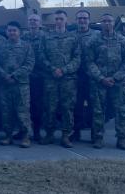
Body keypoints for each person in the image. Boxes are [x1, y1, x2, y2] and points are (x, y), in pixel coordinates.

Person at [86, 13, 125, 150]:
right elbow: (89, 62)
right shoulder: (93, 41)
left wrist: (115, 77)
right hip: (99, 82)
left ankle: (122, 139)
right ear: (101, 23)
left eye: (109, 21)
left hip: (118, 82)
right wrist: (101, 78)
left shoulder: (122, 40)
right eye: (104, 21)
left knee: (121, 112)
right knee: (98, 111)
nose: (107, 23)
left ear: (113, 23)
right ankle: (98, 138)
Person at [39, 10, 80, 147]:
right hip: (50, 79)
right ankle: (49, 134)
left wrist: (64, 70)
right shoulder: (46, 37)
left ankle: (66, 136)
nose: (58, 21)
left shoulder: (73, 37)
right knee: (49, 107)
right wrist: (52, 69)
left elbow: (77, 58)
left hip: (68, 79)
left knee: (67, 108)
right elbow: (41, 56)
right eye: (56, 19)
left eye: (61, 19)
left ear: (66, 20)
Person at [0, 22, 34, 148]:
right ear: (6, 32)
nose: (12, 33)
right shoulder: (1, 46)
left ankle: (26, 136)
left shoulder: (26, 46)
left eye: (14, 30)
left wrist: (14, 76)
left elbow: (29, 64)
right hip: (5, 84)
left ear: (19, 32)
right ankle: (8, 135)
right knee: (6, 111)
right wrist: (4, 75)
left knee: (23, 111)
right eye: (9, 30)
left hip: (21, 85)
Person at [72, 10, 99, 142]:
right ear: (76, 20)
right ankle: (76, 132)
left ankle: (95, 134)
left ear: (89, 20)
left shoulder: (97, 35)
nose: (82, 20)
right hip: (75, 76)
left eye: (85, 18)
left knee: (94, 106)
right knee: (76, 105)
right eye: (79, 18)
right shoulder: (71, 36)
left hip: (93, 76)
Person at [23, 13, 46, 141]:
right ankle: (23, 130)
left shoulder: (45, 37)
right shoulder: (23, 37)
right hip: (25, 76)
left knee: (37, 105)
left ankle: (36, 132)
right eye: (31, 20)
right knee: (23, 105)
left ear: (40, 23)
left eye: (35, 20)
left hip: (39, 76)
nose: (33, 22)